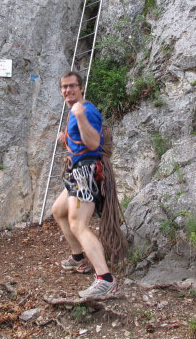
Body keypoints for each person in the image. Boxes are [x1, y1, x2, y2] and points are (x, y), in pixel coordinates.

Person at [51, 71, 119, 298]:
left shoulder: (85, 110)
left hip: (85, 173)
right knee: (58, 211)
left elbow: (93, 143)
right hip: (76, 171)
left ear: (81, 88)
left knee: (77, 223)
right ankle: (79, 258)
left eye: (72, 86)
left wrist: (79, 116)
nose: (67, 91)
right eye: (64, 87)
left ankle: (105, 279)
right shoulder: (75, 111)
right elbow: (81, 143)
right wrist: (66, 140)